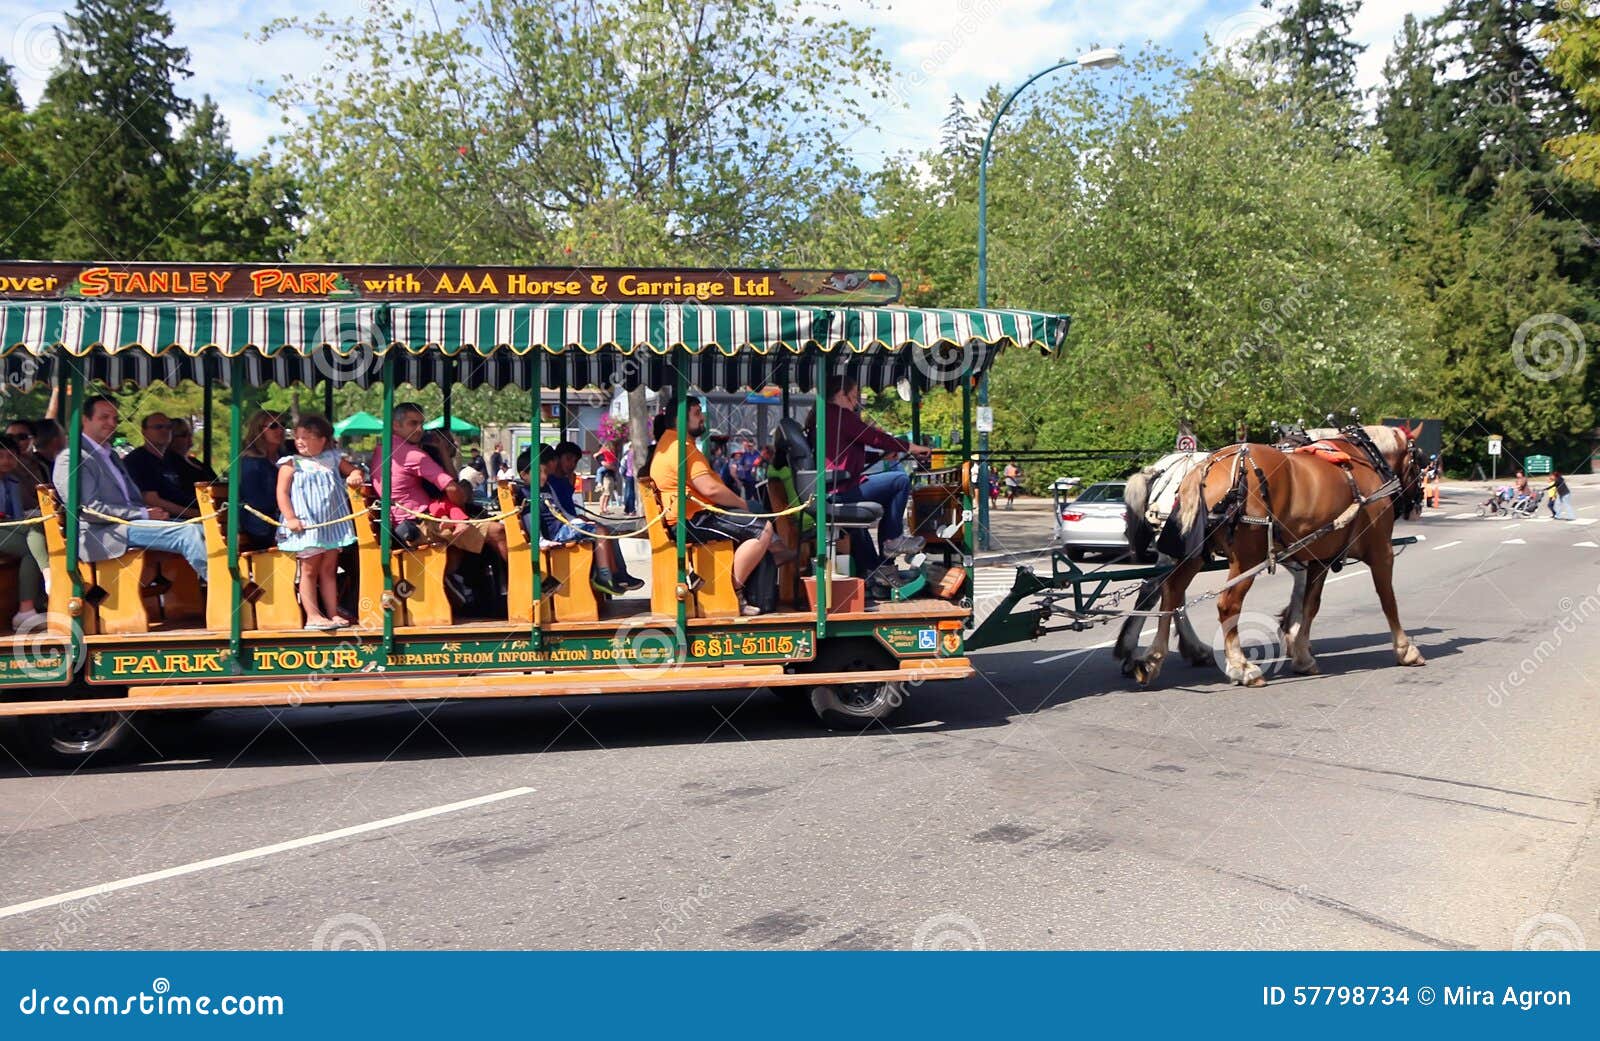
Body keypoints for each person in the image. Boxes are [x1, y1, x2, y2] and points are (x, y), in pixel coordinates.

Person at [53, 395, 208, 581]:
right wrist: (143, 514)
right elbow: (89, 509)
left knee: (201, 528)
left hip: (128, 526)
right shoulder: (72, 457)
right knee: (187, 533)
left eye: (115, 418)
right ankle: (222, 593)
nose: (112, 423)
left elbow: (133, 499)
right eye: (104, 417)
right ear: (86, 420)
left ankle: (194, 596)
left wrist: (151, 513)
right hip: (102, 533)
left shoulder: (111, 455)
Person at [649, 403, 774, 615]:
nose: (702, 419)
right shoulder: (681, 448)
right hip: (692, 520)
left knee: (754, 521)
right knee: (762, 528)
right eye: (697, 414)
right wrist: (743, 505)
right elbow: (710, 489)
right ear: (680, 419)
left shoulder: (669, 443)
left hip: (688, 518)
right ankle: (733, 593)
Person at [818, 375, 932, 577]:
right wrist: (912, 447)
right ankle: (891, 540)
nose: (856, 403)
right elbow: (875, 437)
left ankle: (876, 574)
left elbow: (844, 454)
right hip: (841, 489)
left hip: (833, 487)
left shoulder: (826, 416)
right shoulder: (842, 416)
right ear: (841, 395)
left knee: (859, 530)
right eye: (854, 397)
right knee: (899, 481)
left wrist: (877, 455)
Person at [374, 403, 507, 562]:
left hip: (404, 521)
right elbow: (452, 487)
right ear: (396, 425)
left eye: (421, 424)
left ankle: (467, 584)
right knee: (498, 531)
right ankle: (521, 585)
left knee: (464, 543)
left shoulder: (382, 449)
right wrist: (461, 507)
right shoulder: (412, 454)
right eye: (413, 423)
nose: (419, 429)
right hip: (420, 525)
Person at [276, 414, 364, 629]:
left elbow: (353, 470)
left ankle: (333, 613)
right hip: (307, 524)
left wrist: (355, 475)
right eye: (297, 437)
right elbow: (282, 492)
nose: (300, 441)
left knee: (329, 568)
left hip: (331, 525)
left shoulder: (333, 458)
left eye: (306, 437)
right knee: (309, 569)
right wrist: (290, 518)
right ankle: (312, 616)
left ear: (322, 439)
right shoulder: (291, 463)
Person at [530, 444, 635, 598]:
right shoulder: (548, 482)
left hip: (568, 522)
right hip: (561, 528)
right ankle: (605, 576)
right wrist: (575, 520)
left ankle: (619, 573)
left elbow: (568, 508)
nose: (571, 465)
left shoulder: (564, 481)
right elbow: (560, 511)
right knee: (602, 532)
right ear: (556, 460)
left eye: (575, 461)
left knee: (610, 531)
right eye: (568, 459)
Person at [0, 433, 50, 629]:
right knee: (35, 534)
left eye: (10, 456)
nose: (6, 461)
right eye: (1, 456)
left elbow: (18, 515)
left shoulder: (12, 481)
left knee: (33, 546)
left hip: (6, 529)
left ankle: (27, 610)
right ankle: (48, 578)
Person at [124, 412, 200, 519]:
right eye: (158, 427)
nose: (164, 431)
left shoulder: (173, 459)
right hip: (166, 519)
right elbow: (151, 500)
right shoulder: (138, 460)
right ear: (144, 431)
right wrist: (194, 514)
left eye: (168, 427)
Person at [238, 410, 288, 551]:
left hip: (283, 517)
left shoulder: (286, 457)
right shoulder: (250, 461)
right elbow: (256, 500)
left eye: (282, 425)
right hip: (260, 523)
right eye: (273, 426)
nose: (280, 430)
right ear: (258, 430)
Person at [168, 417, 218, 490]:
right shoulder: (169, 463)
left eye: (190, 433)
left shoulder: (195, 461)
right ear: (171, 437)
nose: (190, 437)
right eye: (184, 434)